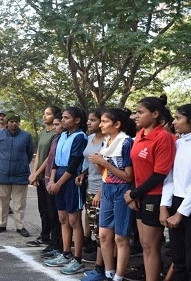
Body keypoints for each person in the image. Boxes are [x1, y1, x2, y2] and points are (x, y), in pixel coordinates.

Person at [124, 96, 176, 281]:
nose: (135, 116)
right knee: (145, 244)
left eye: (140, 112)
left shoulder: (164, 137)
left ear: (155, 114)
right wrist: (134, 193)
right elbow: (137, 170)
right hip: (140, 195)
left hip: (156, 196)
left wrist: (134, 193)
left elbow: (160, 174)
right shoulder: (140, 135)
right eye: (135, 112)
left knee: (151, 246)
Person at [88, 108, 135, 281]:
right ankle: (108, 273)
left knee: (120, 237)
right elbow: (107, 173)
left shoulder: (126, 142)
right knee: (104, 235)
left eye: (105, 122)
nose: (101, 125)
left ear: (117, 124)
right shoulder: (107, 141)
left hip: (122, 190)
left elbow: (128, 176)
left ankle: (119, 276)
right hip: (107, 188)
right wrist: (100, 165)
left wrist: (102, 163)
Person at [161, 104, 191, 280]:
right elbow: (169, 176)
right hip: (175, 202)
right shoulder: (178, 143)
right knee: (178, 257)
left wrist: (181, 213)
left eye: (178, 118)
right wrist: (165, 206)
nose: (174, 122)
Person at [44, 106, 88, 275]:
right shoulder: (62, 135)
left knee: (74, 220)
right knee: (63, 219)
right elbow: (55, 162)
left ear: (77, 120)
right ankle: (65, 253)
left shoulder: (80, 137)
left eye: (66, 118)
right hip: (59, 178)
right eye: (62, 117)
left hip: (70, 181)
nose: (62, 120)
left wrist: (59, 183)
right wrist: (52, 180)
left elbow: (74, 163)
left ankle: (77, 259)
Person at [0, 112, 34, 237]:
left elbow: (29, 153)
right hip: (2, 173)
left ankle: (20, 226)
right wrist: (2, 164)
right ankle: (1, 224)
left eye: (16, 121)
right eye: (11, 121)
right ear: (7, 122)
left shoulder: (26, 136)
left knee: (19, 203)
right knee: (2, 201)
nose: (14, 123)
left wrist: (21, 164)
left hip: (20, 174)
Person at [75, 108, 105, 281]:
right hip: (90, 186)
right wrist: (83, 174)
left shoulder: (108, 141)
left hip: (102, 190)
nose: (88, 122)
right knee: (95, 228)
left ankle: (101, 268)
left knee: (103, 231)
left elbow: (110, 169)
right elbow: (89, 161)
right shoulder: (90, 138)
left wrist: (101, 192)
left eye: (93, 120)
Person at [27, 106, 62, 246]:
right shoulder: (42, 133)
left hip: (49, 176)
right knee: (42, 209)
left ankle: (55, 239)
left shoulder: (56, 134)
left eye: (48, 114)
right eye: (44, 114)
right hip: (40, 176)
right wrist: (34, 174)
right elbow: (38, 155)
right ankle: (44, 235)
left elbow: (49, 157)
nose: (44, 116)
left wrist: (37, 173)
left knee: (51, 210)